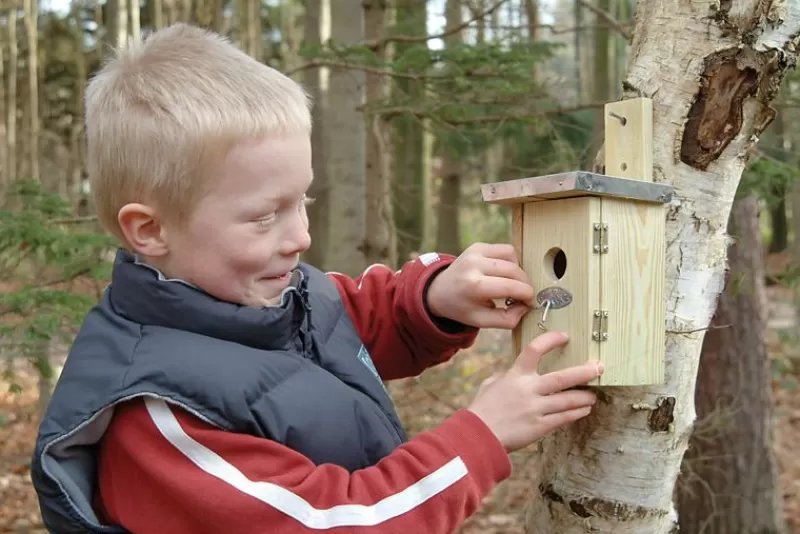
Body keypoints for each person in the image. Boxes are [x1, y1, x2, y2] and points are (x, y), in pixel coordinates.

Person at [30, 23, 603, 534]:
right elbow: (333, 521)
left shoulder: (263, 296)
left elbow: (343, 318)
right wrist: (481, 436)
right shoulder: (161, 418)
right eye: (263, 216)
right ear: (150, 230)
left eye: (301, 200)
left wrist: (436, 297)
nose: (300, 236)